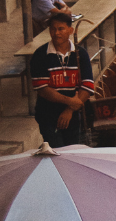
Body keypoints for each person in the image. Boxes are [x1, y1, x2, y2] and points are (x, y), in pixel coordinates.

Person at [30, 9, 94, 147]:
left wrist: (69, 110)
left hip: (73, 116)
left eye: (61, 29)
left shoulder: (80, 54)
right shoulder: (40, 55)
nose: (56, 33)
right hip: (47, 114)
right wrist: (71, 102)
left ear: (70, 31)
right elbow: (42, 89)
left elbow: (87, 86)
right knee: (55, 152)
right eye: (53, 29)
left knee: (72, 152)